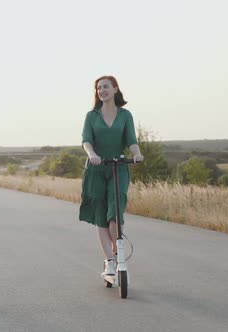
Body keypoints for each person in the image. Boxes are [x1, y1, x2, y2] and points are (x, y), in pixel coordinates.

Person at [79, 75, 144, 277]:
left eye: (106, 87)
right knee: (100, 214)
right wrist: (92, 155)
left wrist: (136, 153)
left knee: (115, 209)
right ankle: (109, 261)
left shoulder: (125, 115)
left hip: (118, 167)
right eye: (99, 88)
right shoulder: (92, 116)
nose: (102, 90)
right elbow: (86, 140)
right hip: (97, 168)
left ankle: (118, 253)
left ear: (115, 89)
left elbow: (131, 139)